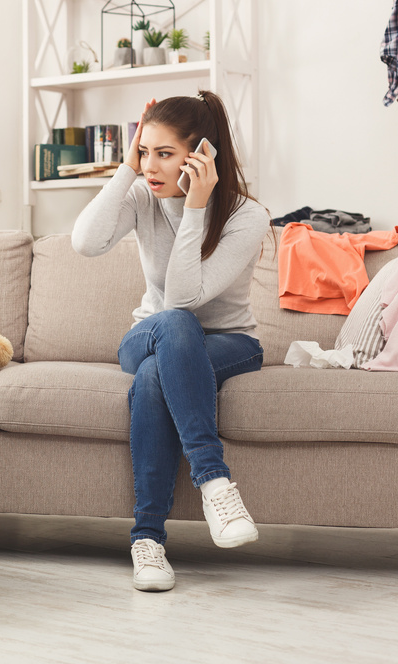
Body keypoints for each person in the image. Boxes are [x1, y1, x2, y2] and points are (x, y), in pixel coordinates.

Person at [71, 90, 271, 592]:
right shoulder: (142, 194)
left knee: (162, 368)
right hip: (150, 333)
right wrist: (125, 168)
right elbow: (85, 242)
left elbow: (186, 294)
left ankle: (147, 541)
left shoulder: (248, 217)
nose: (151, 166)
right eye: (145, 151)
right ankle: (215, 484)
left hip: (229, 342)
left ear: (201, 155)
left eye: (164, 154)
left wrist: (197, 206)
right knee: (173, 328)